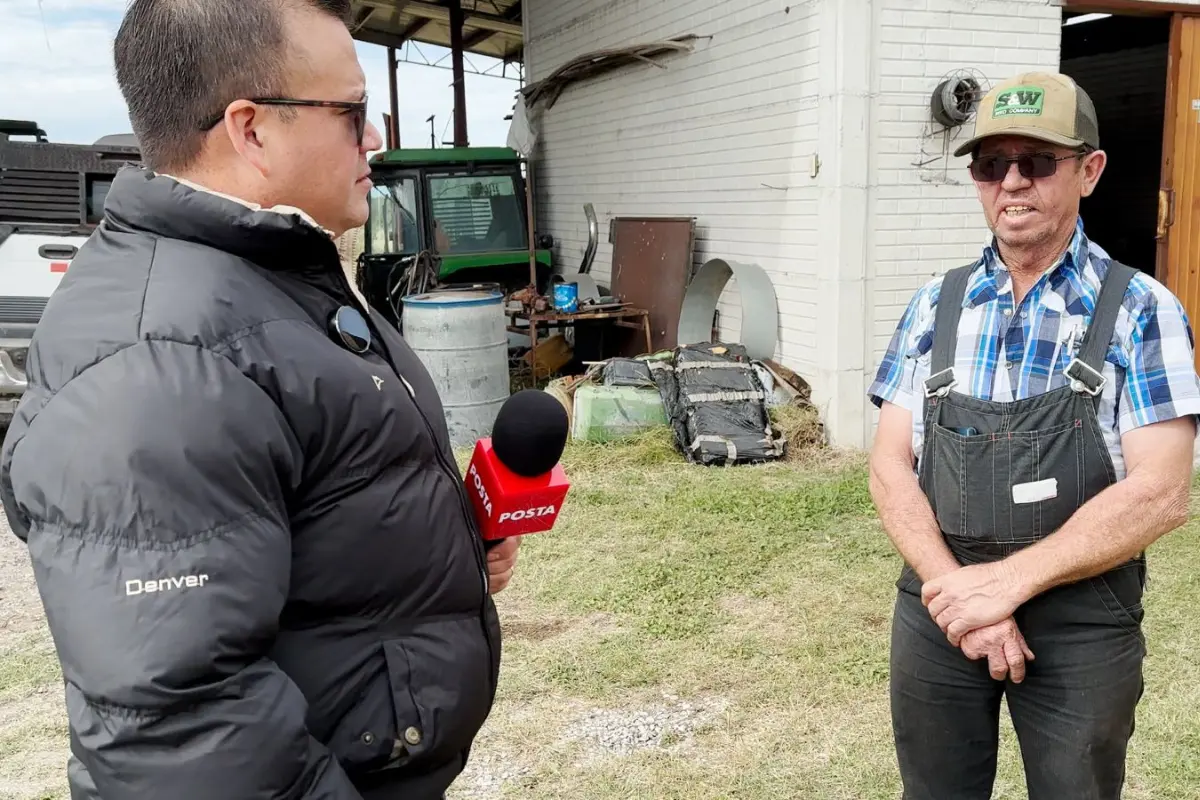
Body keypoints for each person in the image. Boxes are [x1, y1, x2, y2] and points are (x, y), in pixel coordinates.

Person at [0, 1, 520, 798]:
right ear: (251, 129)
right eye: (352, 112)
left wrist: (443, 546)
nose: (374, 138)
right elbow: (184, 729)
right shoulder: (162, 359)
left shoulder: (272, 279)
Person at [867, 71, 1200, 799]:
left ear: (1089, 170)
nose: (1012, 184)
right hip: (941, 604)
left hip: (1081, 616)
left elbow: (1162, 493)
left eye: (1037, 162)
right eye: (992, 165)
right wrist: (957, 592)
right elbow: (891, 465)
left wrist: (1008, 586)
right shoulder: (936, 303)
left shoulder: (1143, 311)